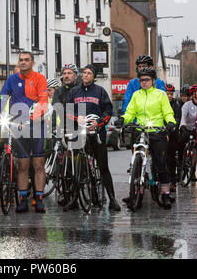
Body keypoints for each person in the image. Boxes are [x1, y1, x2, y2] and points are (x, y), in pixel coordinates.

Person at [0, 51, 49, 213]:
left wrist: (31, 119)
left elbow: (43, 100)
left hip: (37, 126)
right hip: (18, 126)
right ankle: (22, 199)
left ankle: (39, 199)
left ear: (32, 63)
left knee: (38, 164)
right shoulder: (12, 79)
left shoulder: (39, 78)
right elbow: (2, 99)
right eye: (21, 60)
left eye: (26, 60)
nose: (23, 62)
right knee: (23, 165)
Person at [120, 67, 177, 210]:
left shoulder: (160, 95)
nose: (144, 82)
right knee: (136, 164)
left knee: (161, 163)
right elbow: (130, 112)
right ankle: (137, 192)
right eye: (141, 80)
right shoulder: (136, 95)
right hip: (140, 131)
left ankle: (165, 194)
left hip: (156, 131)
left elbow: (168, 112)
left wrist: (171, 122)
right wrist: (123, 120)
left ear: (153, 81)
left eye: (147, 80)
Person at [66, 64, 121, 211]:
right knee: (78, 170)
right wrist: (77, 119)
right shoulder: (74, 92)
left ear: (94, 76)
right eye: (84, 73)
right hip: (80, 134)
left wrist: (98, 123)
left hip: (97, 135)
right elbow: (67, 111)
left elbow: (108, 111)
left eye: (89, 73)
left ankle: (112, 199)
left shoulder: (100, 92)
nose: (85, 75)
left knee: (103, 168)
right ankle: (75, 199)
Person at [117, 56, 166, 149]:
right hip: (137, 124)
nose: (141, 69)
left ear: (151, 67)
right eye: (139, 67)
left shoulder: (159, 83)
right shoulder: (132, 83)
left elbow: (163, 103)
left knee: (158, 155)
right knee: (135, 151)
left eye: (143, 66)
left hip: (154, 125)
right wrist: (125, 118)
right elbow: (127, 101)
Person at [180, 84, 197, 192]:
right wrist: (182, 127)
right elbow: (183, 117)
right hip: (189, 129)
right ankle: (183, 163)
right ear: (194, 94)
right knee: (181, 144)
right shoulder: (187, 105)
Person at [165, 84, 182, 192]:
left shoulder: (176, 105)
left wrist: (170, 131)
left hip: (172, 135)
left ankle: (172, 181)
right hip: (161, 133)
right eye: (168, 94)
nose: (170, 96)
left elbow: (177, 120)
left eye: (171, 94)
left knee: (171, 159)